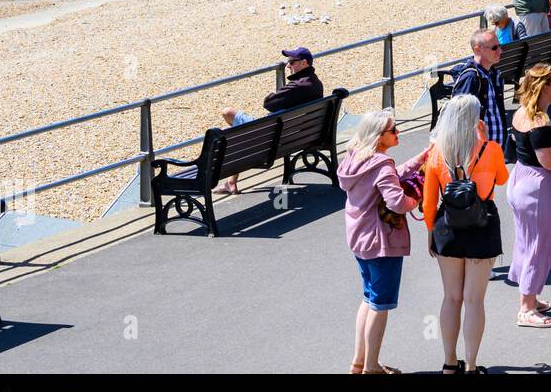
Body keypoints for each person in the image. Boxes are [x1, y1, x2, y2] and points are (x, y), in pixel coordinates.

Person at [422, 95, 509, 374]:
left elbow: (428, 201)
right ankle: (471, 365)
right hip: (481, 226)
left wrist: (430, 231)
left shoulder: (437, 152)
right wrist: (485, 139)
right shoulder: (490, 149)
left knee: (451, 297)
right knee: (474, 299)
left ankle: (449, 361)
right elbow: (503, 178)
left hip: (447, 227)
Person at [338, 110, 429, 374]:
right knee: (380, 303)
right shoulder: (382, 164)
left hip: (359, 237)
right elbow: (397, 203)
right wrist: (417, 198)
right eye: (394, 130)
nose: (398, 133)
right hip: (381, 240)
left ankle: (359, 362)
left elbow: (390, 176)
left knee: (368, 298)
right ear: (379, 137)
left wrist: (418, 159)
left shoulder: (356, 158)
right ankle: (371, 366)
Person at [506, 65, 551, 328]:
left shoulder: (521, 113)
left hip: (520, 180)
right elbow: (547, 160)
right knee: (540, 245)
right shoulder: (540, 120)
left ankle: (529, 295)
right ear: (544, 86)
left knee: (525, 241)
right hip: (536, 188)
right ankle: (526, 308)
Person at [216, 47, 323, 194]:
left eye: (292, 62)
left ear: (304, 63)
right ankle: (230, 182)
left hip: (268, 138)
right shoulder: (316, 83)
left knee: (225, 126)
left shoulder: (298, 86)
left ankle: (227, 180)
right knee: (230, 120)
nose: (288, 66)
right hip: (294, 137)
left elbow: (268, 103)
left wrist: (280, 91)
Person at [450, 29, 508, 164]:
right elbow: (459, 118)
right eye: (494, 47)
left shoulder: (492, 74)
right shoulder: (471, 78)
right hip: (476, 155)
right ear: (477, 49)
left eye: (500, 46)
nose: (500, 51)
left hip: (492, 151)